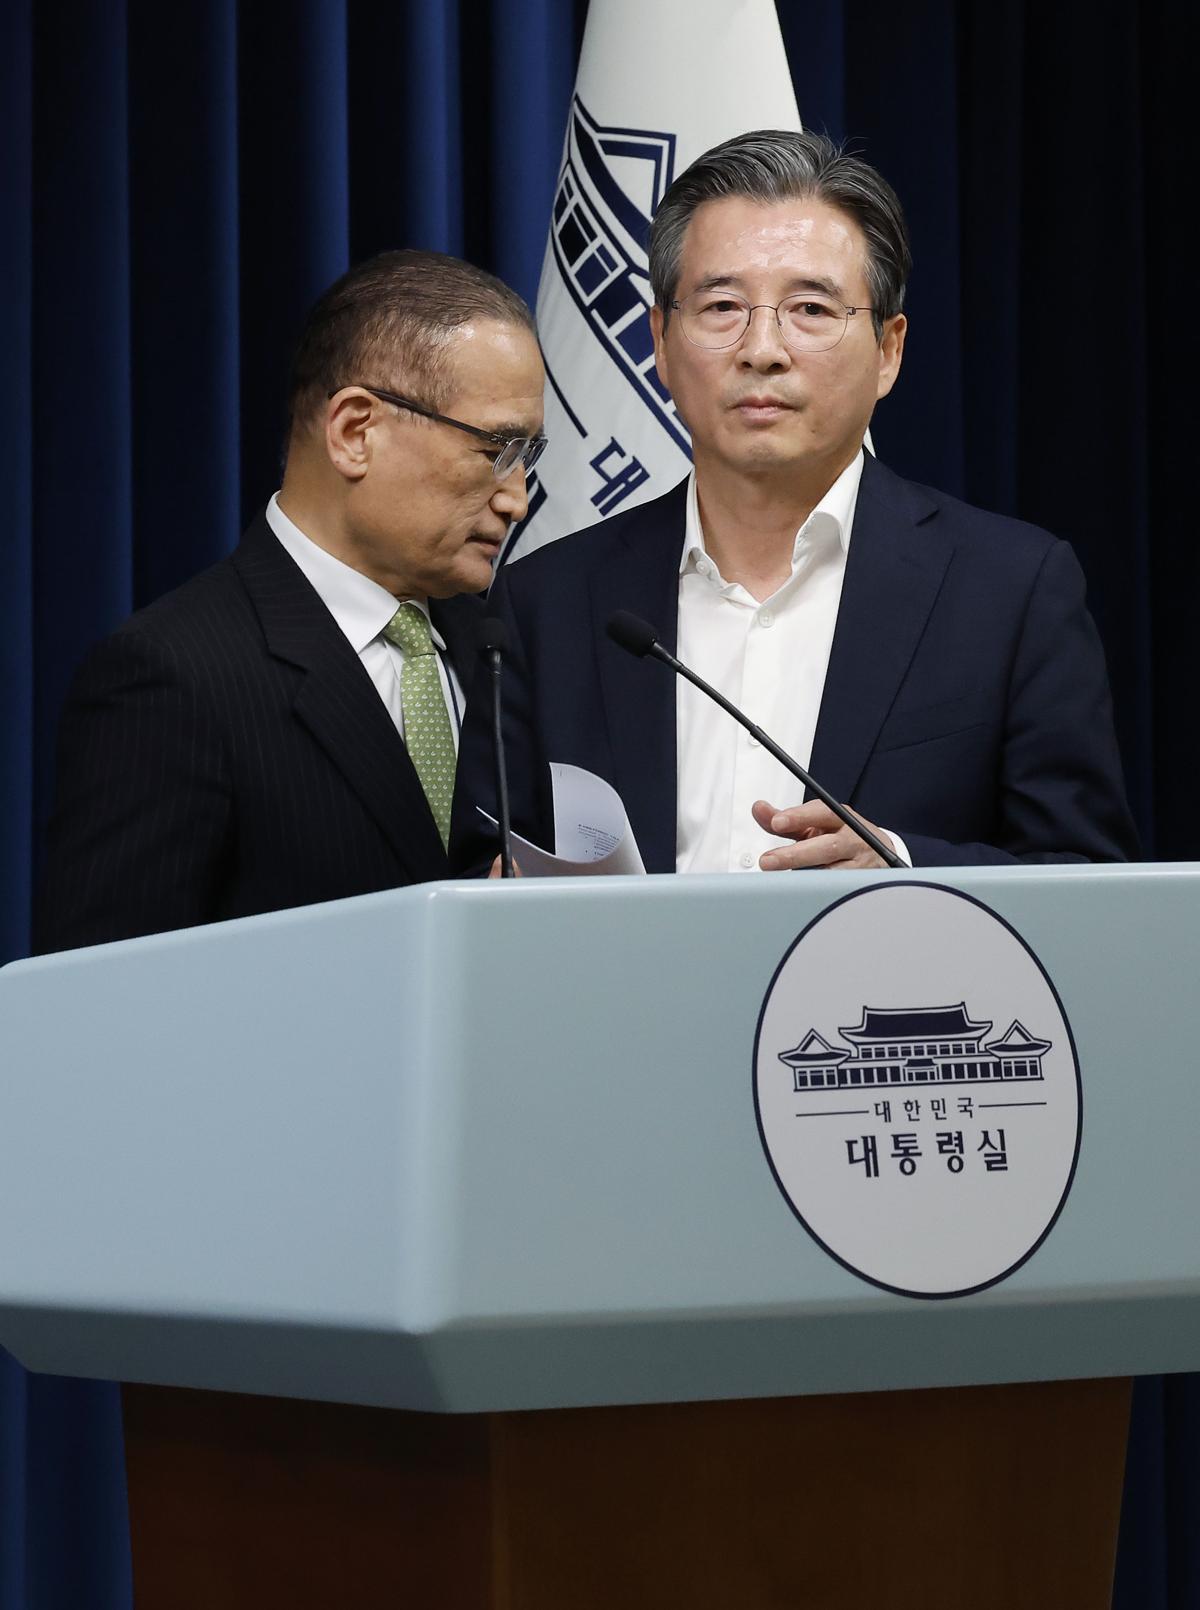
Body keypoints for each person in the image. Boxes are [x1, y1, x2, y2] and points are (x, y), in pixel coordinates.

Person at [451, 131, 1136, 874]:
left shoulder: (1010, 590)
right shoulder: (546, 603)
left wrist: (905, 868)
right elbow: (483, 864)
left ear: (888, 351)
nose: (762, 349)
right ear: (660, 344)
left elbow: (1086, 877)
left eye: (810, 308)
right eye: (721, 307)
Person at [35, 250, 546, 951]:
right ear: (355, 432)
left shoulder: (501, 646)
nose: (517, 500)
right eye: (496, 450)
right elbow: (100, 995)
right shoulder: (171, 678)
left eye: (528, 457)